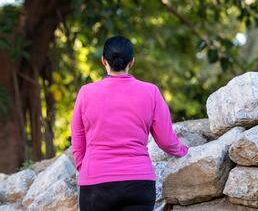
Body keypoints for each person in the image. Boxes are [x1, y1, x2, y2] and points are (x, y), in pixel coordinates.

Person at [71, 35, 189, 211]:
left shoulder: (86, 93)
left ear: (103, 60)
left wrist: (87, 169)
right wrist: (183, 151)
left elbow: (78, 141)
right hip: (139, 183)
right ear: (131, 61)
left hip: (96, 184)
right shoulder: (151, 92)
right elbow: (166, 140)